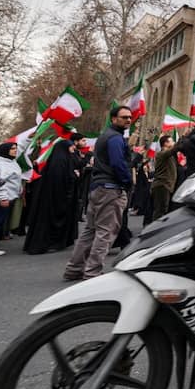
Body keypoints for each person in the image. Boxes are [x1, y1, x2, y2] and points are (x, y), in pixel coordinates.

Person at [63, 106, 133, 280]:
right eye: (124, 117)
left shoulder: (107, 136)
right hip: (110, 189)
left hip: (99, 188)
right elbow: (118, 164)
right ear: (114, 119)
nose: (128, 120)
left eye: (130, 117)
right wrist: (127, 182)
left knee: (91, 230)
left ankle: (74, 269)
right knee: (105, 232)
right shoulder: (115, 138)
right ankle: (92, 272)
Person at [24, 140, 78, 254]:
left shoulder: (59, 159)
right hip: (56, 198)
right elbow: (62, 180)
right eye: (71, 146)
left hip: (52, 197)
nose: (73, 148)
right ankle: (50, 243)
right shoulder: (60, 161)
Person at [151, 135, 177, 221]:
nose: (173, 142)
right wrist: (184, 137)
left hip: (166, 186)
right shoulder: (162, 154)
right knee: (160, 211)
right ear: (165, 143)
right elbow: (173, 150)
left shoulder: (168, 155)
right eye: (171, 141)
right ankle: (154, 231)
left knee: (163, 210)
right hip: (162, 185)